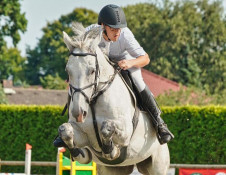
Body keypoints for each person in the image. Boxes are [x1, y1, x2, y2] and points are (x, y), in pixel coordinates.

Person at [54, 4, 174, 147]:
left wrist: (130, 63)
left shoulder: (125, 35)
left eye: (119, 28)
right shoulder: (91, 33)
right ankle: (71, 123)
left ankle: (159, 123)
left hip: (125, 61)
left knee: (138, 81)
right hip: (100, 67)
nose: (117, 32)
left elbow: (145, 58)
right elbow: (79, 54)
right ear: (103, 26)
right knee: (77, 86)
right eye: (113, 29)